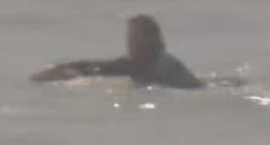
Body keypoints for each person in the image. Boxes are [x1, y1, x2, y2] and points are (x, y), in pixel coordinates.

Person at [31, 14, 204, 90]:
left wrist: (64, 71)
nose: (130, 44)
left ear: (153, 40)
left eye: (135, 39)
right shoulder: (157, 60)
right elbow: (107, 66)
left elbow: (105, 68)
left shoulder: (149, 63)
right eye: (130, 39)